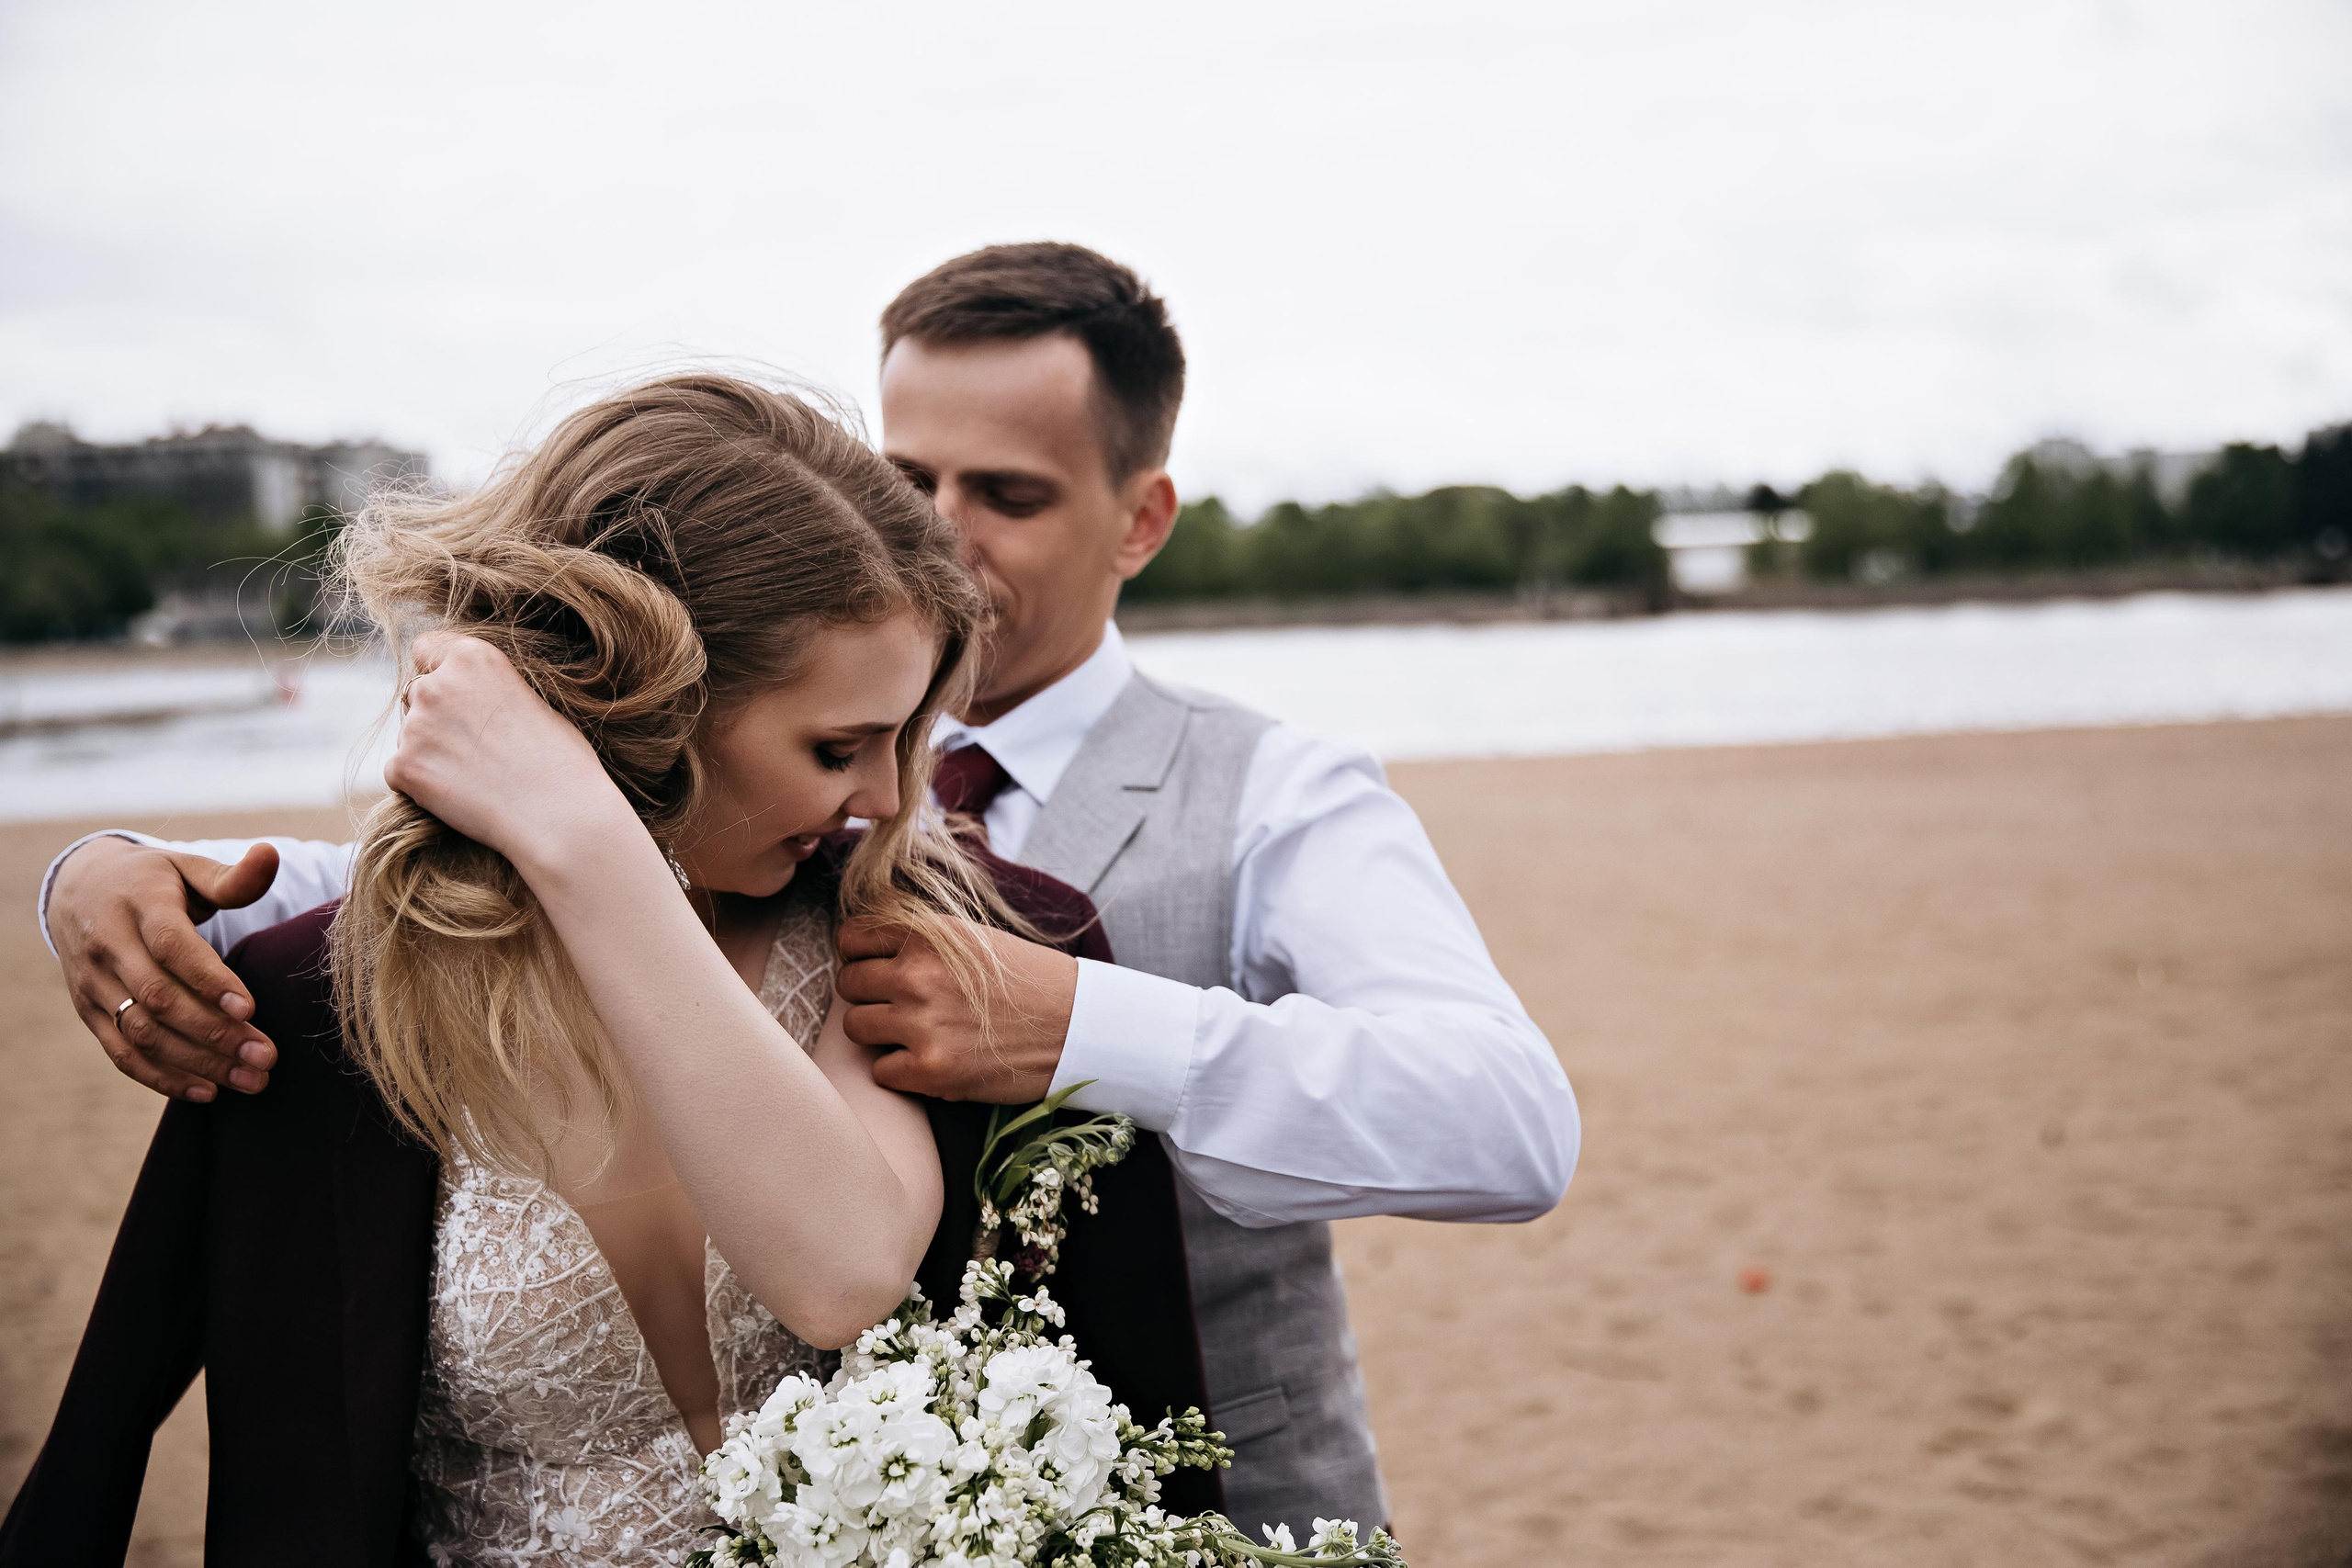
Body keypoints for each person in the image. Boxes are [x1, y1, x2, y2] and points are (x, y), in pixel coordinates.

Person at [38, 243, 1582, 1540]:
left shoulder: (1270, 793)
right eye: (910, 476)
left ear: (1142, 518)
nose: (944, 534)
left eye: (1013, 492)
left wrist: (1088, 1023)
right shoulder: (753, 758)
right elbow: (428, 903)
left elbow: (1507, 1119)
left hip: (1209, 1510)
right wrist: (95, 870)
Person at [5, 375, 1208, 1563]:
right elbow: (104, 1448)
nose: (889, 797)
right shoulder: (314, 1013)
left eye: (906, 736)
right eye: (838, 746)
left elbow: (845, 1276)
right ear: (641, 712)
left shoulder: (941, 944)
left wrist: (586, 837)